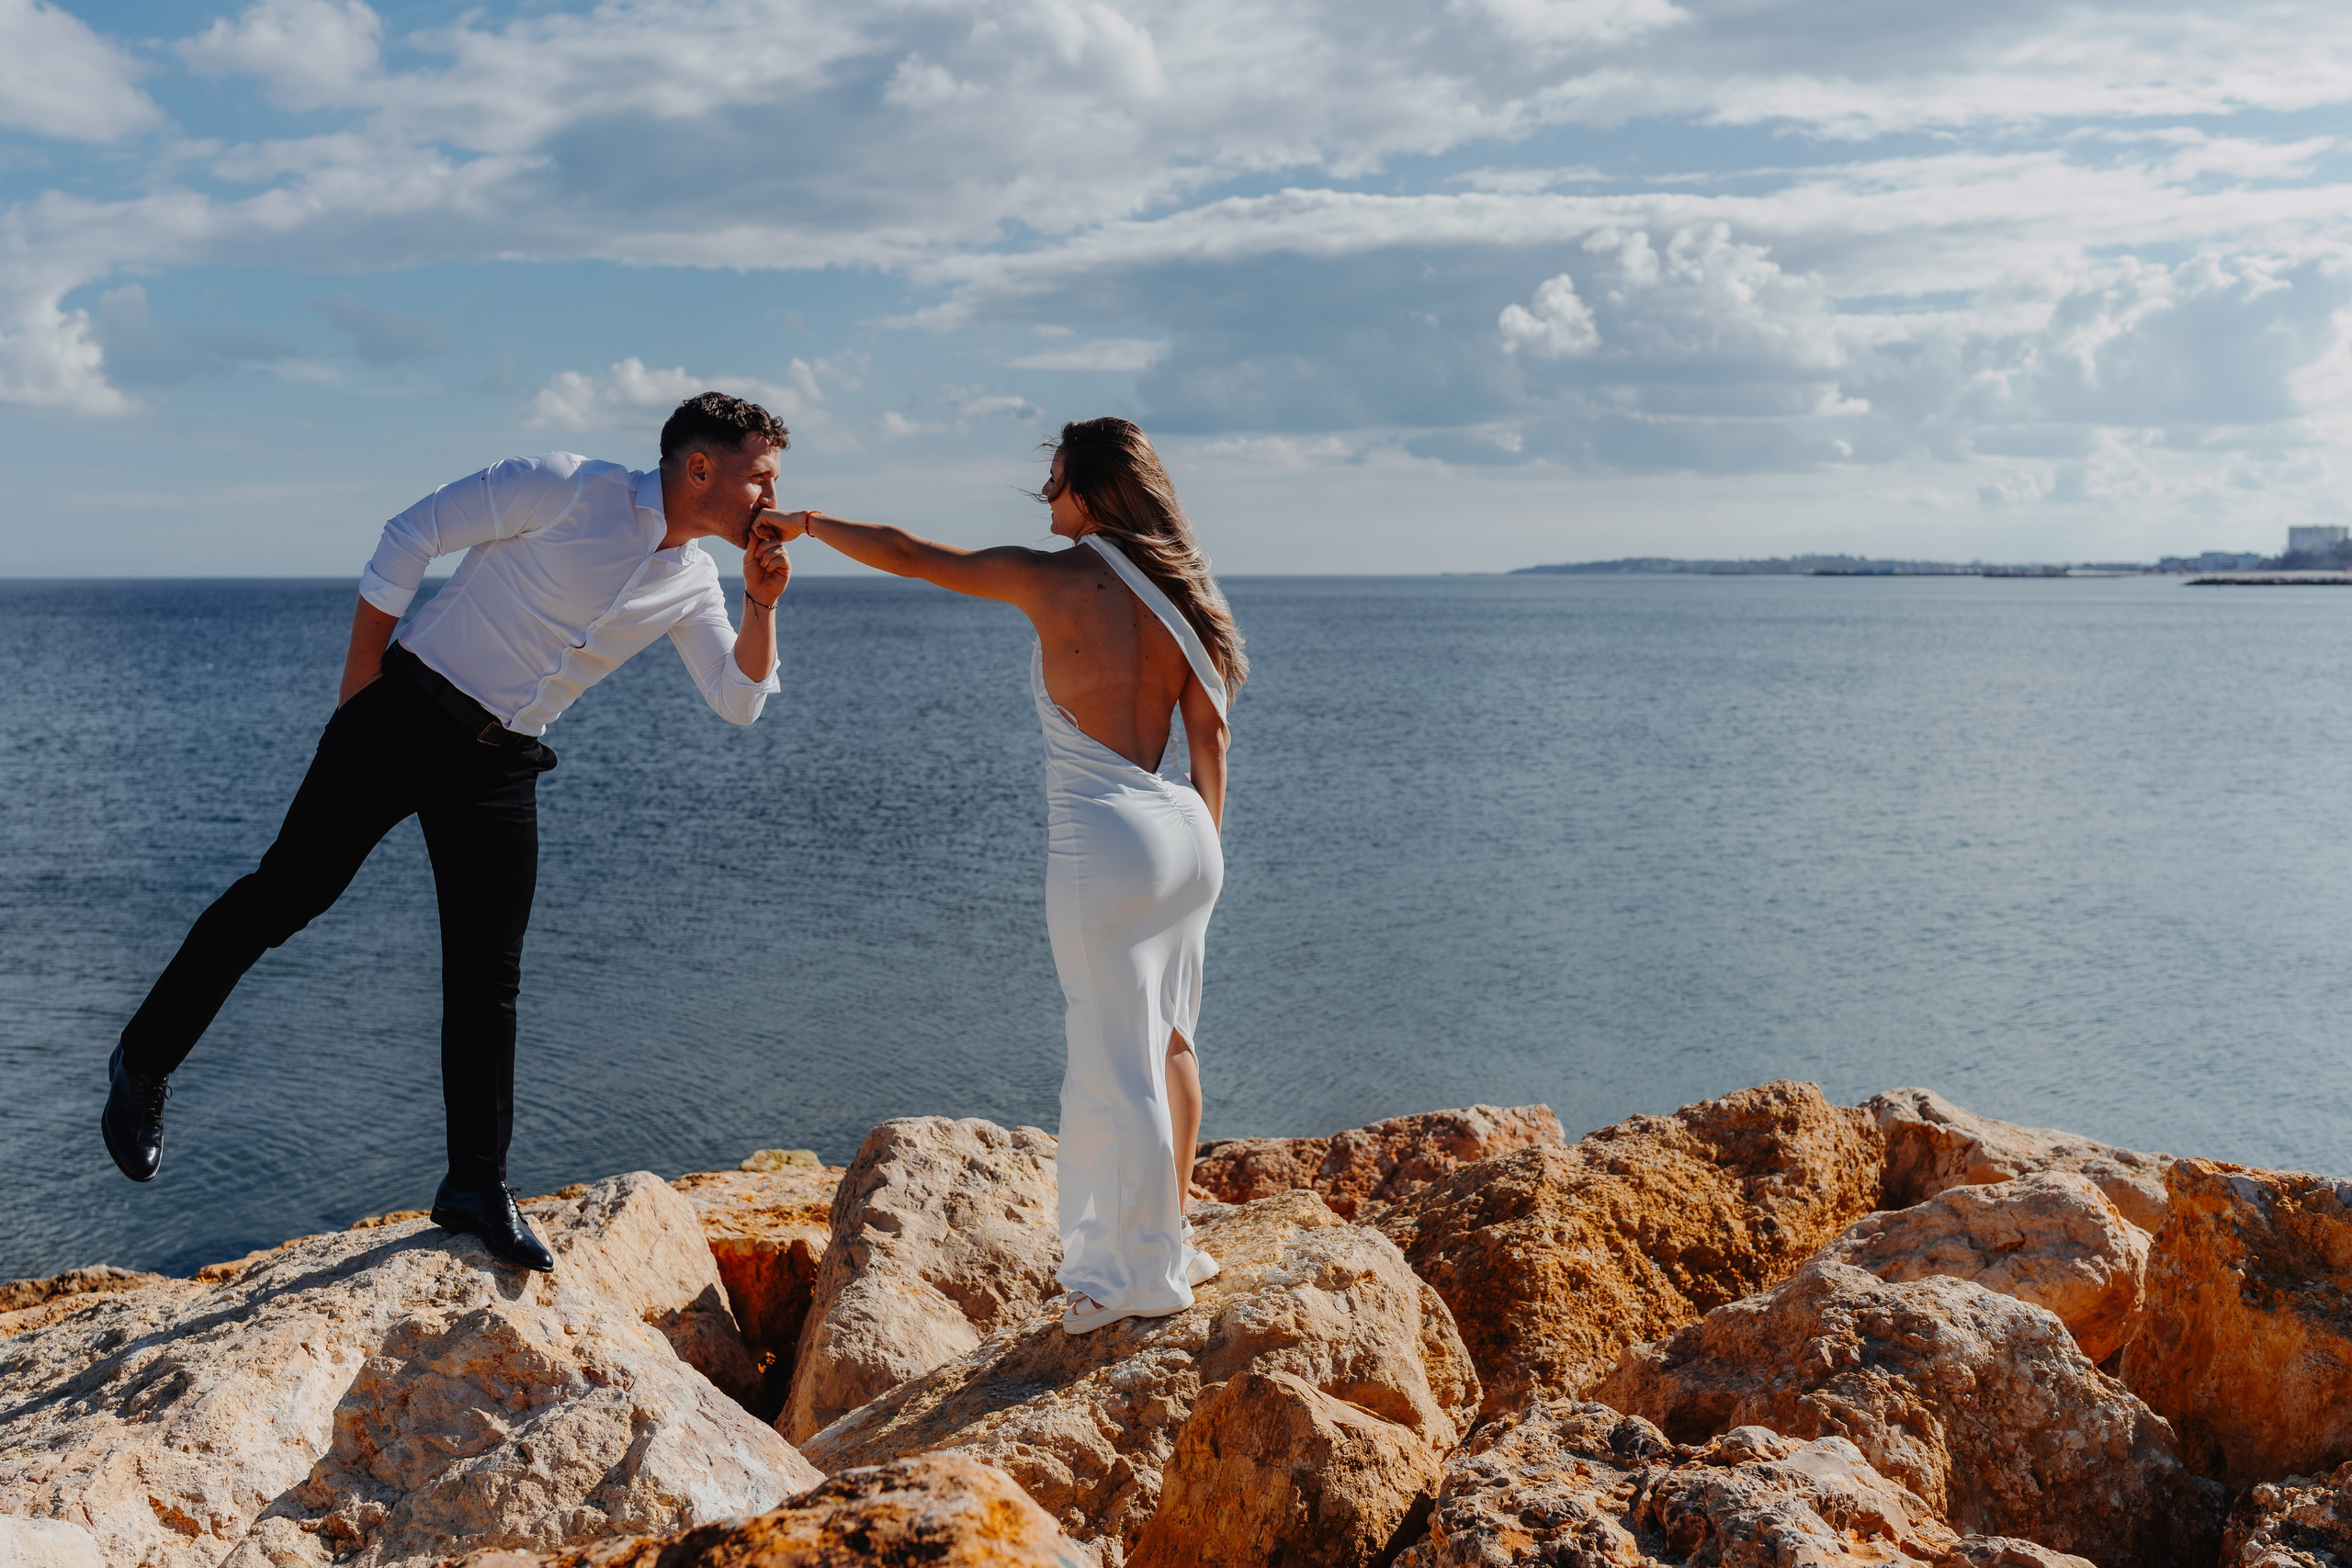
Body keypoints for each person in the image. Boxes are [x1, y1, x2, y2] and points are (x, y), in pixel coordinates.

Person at [100, 392, 797, 1272]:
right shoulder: (564, 485)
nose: (771, 499)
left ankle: (474, 1183)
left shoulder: (694, 578)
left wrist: (763, 608)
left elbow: (738, 703)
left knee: (486, 976)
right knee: (286, 894)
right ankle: (144, 1061)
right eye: (761, 477)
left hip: (503, 764)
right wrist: (361, 691)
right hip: (406, 710)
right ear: (702, 468)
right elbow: (410, 532)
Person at [769, 416, 1245, 1333]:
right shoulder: (1184, 593)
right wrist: (1203, 851)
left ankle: (1138, 1276)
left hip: (1108, 837)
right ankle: (1173, 1232)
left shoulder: (1058, 579)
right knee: (1172, 1039)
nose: (1047, 499)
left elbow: (912, 555)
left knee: (1116, 1060)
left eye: (1057, 481)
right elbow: (1211, 735)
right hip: (1188, 833)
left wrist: (812, 524)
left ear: (1094, 492)